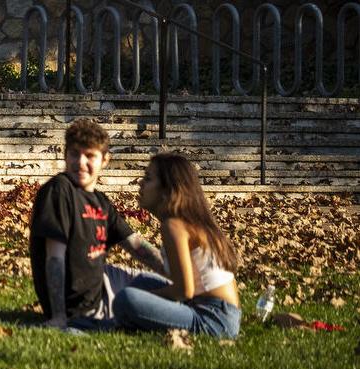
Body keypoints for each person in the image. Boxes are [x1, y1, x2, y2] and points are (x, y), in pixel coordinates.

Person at [29, 118, 167, 332]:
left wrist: (172, 271)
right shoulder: (59, 191)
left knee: (174, 288)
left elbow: (136, 246)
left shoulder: (101, 202)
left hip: (105, 283)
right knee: (162, 309)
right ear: (65, 155)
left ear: (104, 160)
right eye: (74, 154)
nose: (80, 162)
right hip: (81, 307)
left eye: (89, 155)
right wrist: (58, 316)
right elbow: (54, 257)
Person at [113, 153, 243, 338]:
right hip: (217, 312)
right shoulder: (185, 222)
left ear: (168, 190)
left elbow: (184, 291)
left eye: (148, 179)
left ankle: (132, 321)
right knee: (141, 284)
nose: (140, 184)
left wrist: (147, 296)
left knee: (126, 299)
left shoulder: (174, 226)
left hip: (213, 319)